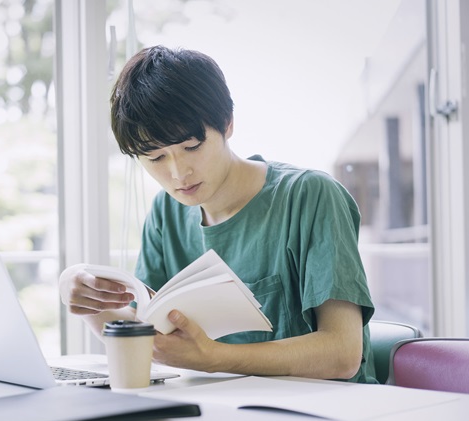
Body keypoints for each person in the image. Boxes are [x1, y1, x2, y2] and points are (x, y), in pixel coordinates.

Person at [59, 45, 377, 383]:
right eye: (155, 158)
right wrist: (80, 297)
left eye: (191, 147)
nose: (179, 173)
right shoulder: (167, 212)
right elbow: (148, 338)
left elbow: (343, 354)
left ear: (227, 124)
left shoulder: (309, 196)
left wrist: (213, 358)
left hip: (326, 411)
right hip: (219, 411)